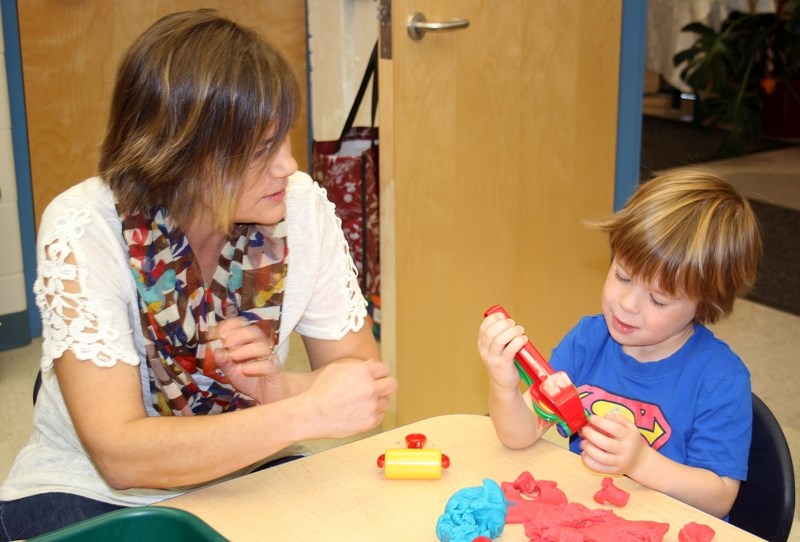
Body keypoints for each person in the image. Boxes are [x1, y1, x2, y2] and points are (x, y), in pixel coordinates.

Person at [0, 9, 397, 540]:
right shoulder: (83, 226)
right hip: (91, 488)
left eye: (283, 140)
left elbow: (362, 386)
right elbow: (120, 456)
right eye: (260, 152)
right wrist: (298, 415)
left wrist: (280, 389)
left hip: (247, 466)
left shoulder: (299, 209)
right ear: (178, 155)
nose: (288, 167)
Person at [478, 170, 762, 519]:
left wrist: (641, 462)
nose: (627, 304)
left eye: (658, 300)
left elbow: (719, 499)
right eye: (622, 276)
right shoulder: (588, 341)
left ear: (705, 304)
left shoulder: (720, 378)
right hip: (589, 518)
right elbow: (520, 437)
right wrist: (504, 387)